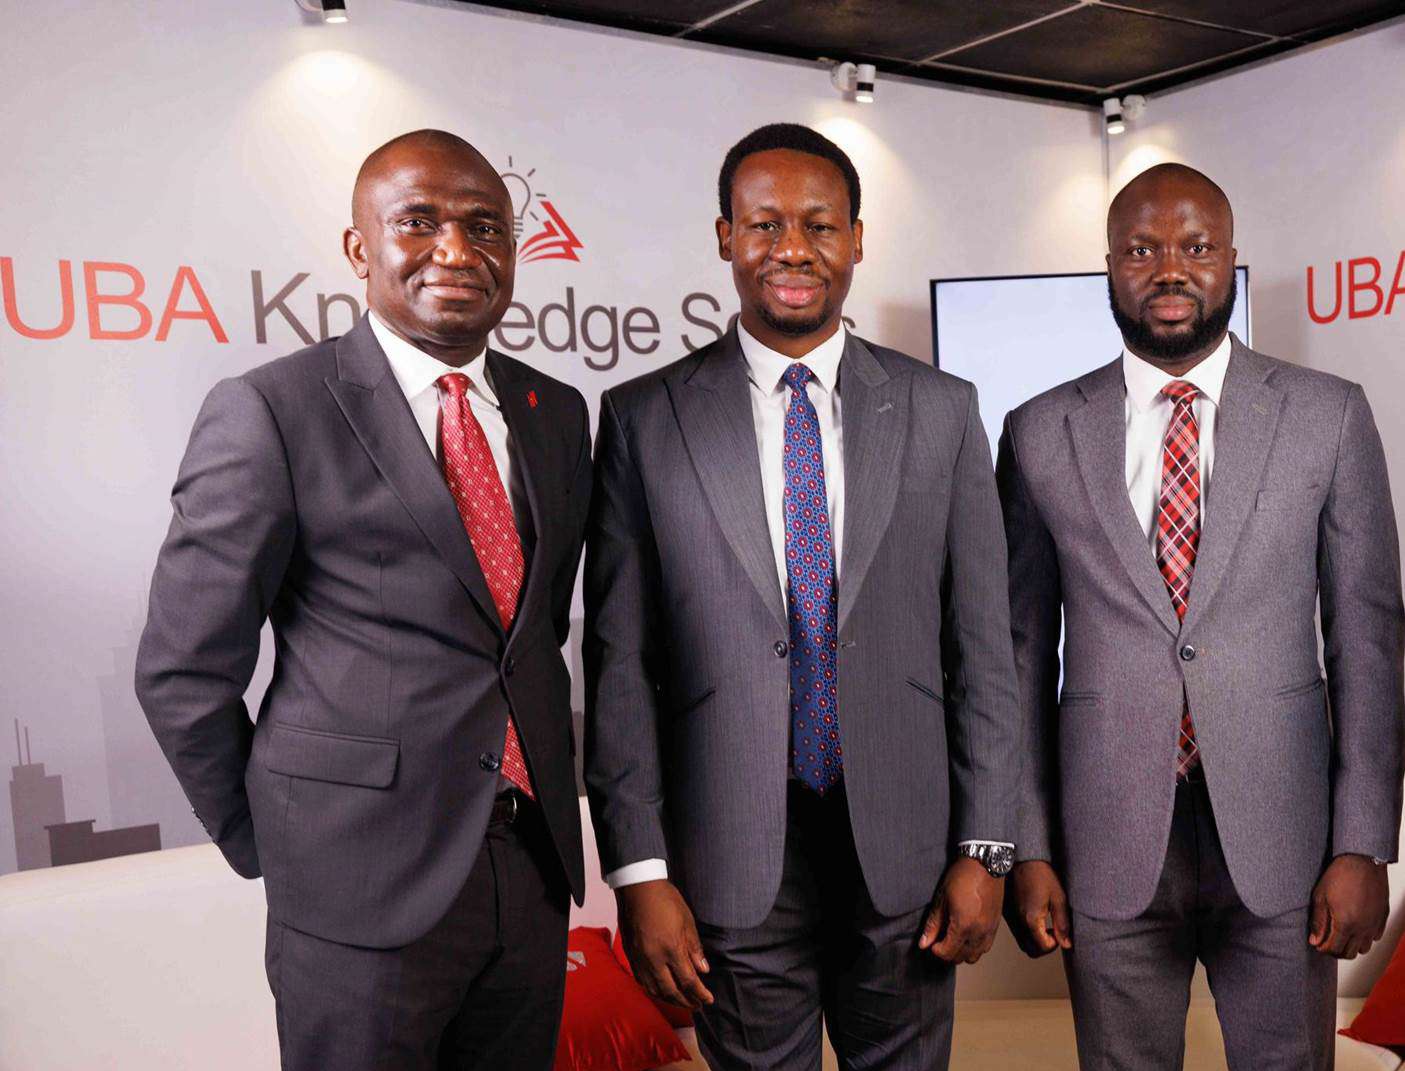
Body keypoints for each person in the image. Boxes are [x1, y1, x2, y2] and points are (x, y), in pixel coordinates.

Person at [135, 130, 592, 1071]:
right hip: (353, 882)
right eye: (418, 222)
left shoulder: (555, 411)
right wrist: (278, 843)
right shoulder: (273, 410)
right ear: (359, 248)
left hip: (529, 870)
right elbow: (182, 671)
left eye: (484, 227)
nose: (455, 250)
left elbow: (530, 636)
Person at [584, 122, 1021, 1070]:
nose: (792, 248)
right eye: (764, 224)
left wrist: (987, 846)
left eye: (819, 225)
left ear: (856, 239)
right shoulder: (643, 418)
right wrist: (639, 870)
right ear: (724, 236)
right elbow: (620, 664)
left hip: (907, 852)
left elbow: (984, 649)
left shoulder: (941, 410)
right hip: (727, 851)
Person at [998, 162, 1404, 1070]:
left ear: (1229, 257)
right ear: (1109, 265)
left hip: (1286, 839)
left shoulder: (1328, 415)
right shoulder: (1036, 431)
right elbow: (1019, 657)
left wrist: (1363, 843)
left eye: (1194, 246)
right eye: (1141, 249)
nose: (1169, 268)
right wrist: (1028, 845)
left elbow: (1367, 642)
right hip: (1104, 838)